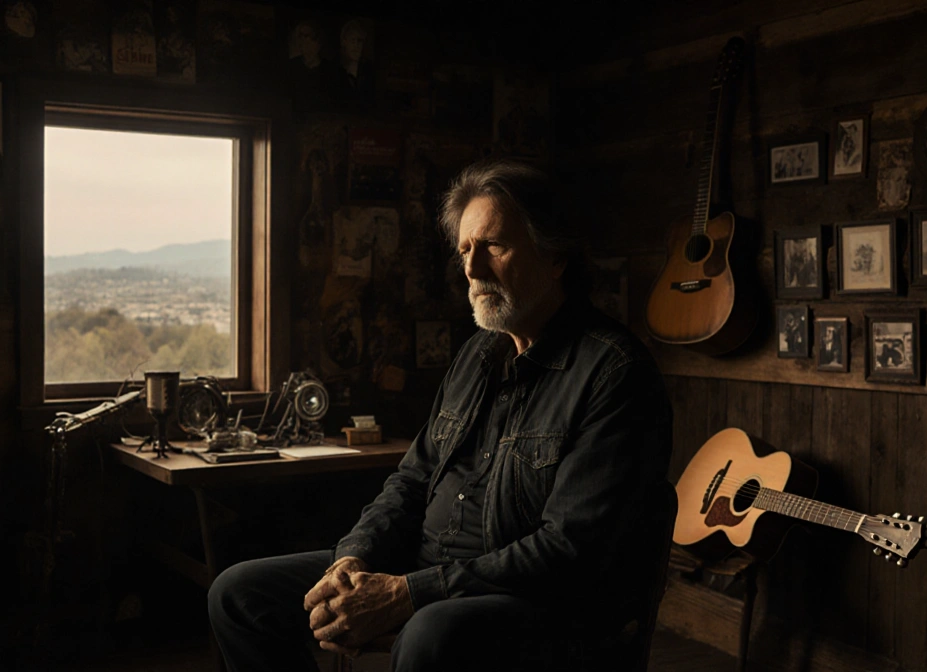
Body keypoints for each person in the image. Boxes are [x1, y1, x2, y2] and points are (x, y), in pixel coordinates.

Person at [209, 159, 673, 671]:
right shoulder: (478, 354)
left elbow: (568, 549)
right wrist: (354, 556)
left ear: (555, 256)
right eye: (466, 250)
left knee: (431, 632)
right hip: (422, 571)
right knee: (239, 593)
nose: (472, 270)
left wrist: (409, 594)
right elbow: (412, 479)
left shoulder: (614, 373)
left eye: (494, 246)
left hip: (539, 601)